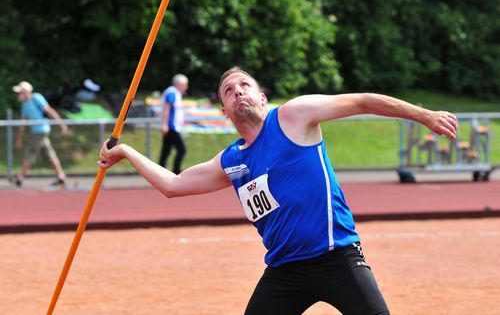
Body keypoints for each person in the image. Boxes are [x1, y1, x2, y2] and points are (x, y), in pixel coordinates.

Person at [99, 67, 457, 315]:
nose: (237, 91)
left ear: (261, 95)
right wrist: (127, 152)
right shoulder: (232, 160)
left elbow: (362, 101)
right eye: (229, 91)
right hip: (285, 270)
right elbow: (173, 186)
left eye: (243, 86)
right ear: (225, 111)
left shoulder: (293, 116)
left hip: (337, 257)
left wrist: (424, 115)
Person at [10, 81, 68, 187]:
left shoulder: (36, 98)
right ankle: (61, 176)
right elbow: (22, 123)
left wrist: (61, 123)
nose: (18, 94)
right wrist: (19, 138)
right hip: (38, 132)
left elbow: (49, 110)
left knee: (30, 153)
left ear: (26, 92)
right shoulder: (25, 105)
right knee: (50, 153)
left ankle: (20, 177)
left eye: (20, 92)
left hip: (41, 131)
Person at [158, 74, 188, 174]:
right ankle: (176, 172)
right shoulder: (172, 92)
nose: (186, 87)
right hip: (171, 127)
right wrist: (165, 124)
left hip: (173, 127)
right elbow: (167, 108)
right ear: (179, 84)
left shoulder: (175, 93)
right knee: (181, 150)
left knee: (166, 151)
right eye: (185, 85)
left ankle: (159, 172)